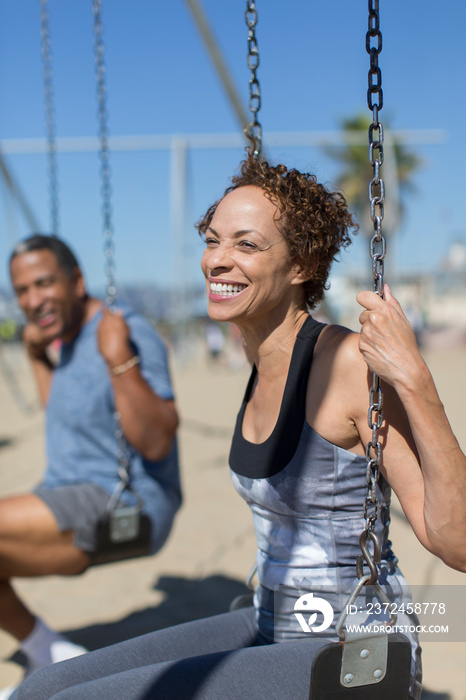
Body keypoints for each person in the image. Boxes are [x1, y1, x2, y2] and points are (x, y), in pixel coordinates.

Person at [16, 157, 466, 700]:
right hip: (272, 619)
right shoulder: (258, 361)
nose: (218, 260)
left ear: (300, 265)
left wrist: (416, 381)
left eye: (247, 245)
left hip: (350, 652)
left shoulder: (346, 363)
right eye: (212, 240)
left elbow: (455, 541)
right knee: (44, 687)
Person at [1, 234, 181, 699]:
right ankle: (51, 653)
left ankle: (49, 653)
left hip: (125, 500)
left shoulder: (123, 331)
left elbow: (158, 442)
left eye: (43, 283)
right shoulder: (65, 339)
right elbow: (67, 416)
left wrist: (119, 359)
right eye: (21, 290)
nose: (32, 299)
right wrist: (39, 356)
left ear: (76, 280)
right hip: (68, 492)